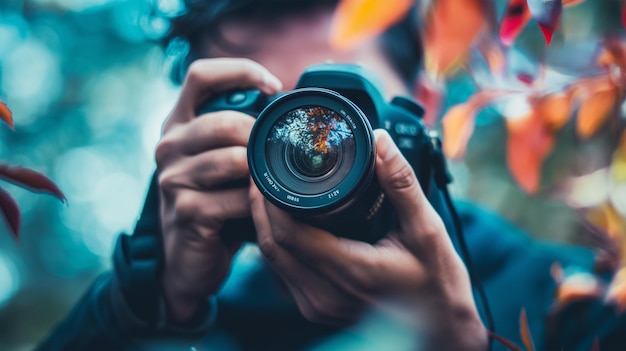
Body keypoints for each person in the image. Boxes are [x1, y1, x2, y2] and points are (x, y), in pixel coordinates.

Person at [35, 1, 625, 350]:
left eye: (338, 101)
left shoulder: (573, 295)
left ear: (425, 107)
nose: (309, 139)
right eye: (267, 111)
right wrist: (142, 302)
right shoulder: (196, 322)